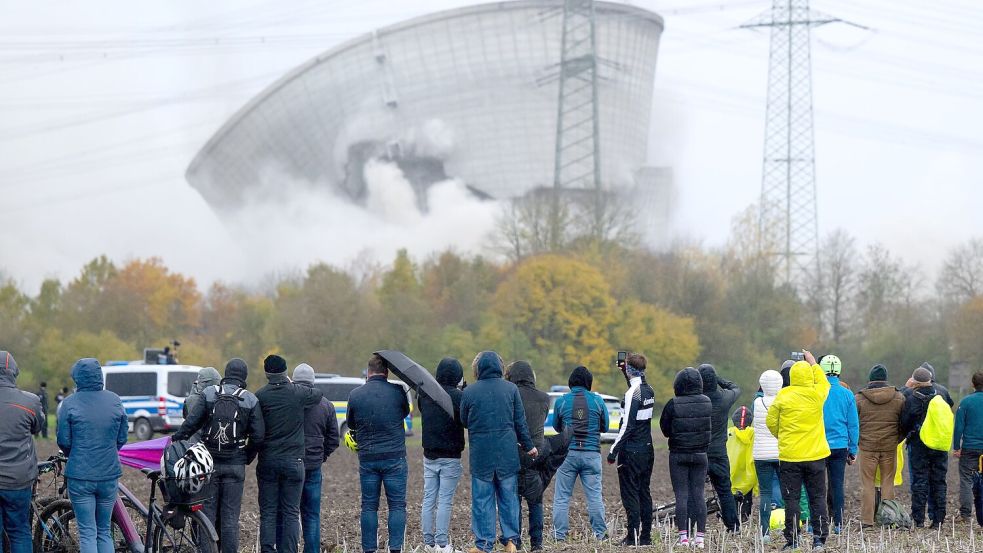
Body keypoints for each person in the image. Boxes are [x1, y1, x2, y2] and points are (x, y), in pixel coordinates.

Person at [173, 359, 264, 553]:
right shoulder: (250, 399)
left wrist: (177, 438)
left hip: (209, 465)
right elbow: (258, 436)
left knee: (208, 516)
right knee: (230, 519)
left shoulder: (209, 394)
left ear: (225, 373)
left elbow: (192, 423)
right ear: (244, 377)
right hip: (235, 466)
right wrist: (245, 457)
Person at [459, 351, 537, 553]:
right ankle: (511, 541)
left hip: (481, 455)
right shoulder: (511, 389)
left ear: (478, 368)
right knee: (509, 499)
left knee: (482, 501)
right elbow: (520, 422)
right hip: (507, 455)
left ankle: (483, 544)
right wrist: (529, 446)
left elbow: (464, 421)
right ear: (499, 367)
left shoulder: (469, 392)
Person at [56, 358, 129, 553]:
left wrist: (76, 455)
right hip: (109, 474)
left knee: (88, 532)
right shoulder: (115, 400)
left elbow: (64, 440)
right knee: (104, 530)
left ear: (77, 378)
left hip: (80, 475)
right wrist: (108, 452)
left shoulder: (69, 404)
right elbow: (122, 437)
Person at [255, 355, 323, 553]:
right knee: (291, 512)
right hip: (294, 462)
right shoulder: (297, 392)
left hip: (268, 461)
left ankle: (268, 549)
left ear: (266, 373)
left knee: (268, 512)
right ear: (286, 372)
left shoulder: (261, 396)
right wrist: (292, 383)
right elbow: (317, 394)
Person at [766, 351, 831, 551]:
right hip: (816, 456)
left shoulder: (783, 396)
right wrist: (813, 363)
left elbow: (771, 422)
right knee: (817, 498)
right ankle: (819, 540)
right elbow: (824, 382)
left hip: (790, 457)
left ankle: (792, 540)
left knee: (791, 499)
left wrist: (783, 436)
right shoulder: (817, 394)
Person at [348, 354, 410, 553]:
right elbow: (404, 413)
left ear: (368, 372)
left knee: (368, 506)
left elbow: (351, 423)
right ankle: (395, 548)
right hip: (395, 457)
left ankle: (369, 549)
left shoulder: (355, 394)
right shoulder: (398, 391)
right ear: (387, 372)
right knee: (397, 506)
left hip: (368, 458)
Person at [551, 366, 609, 542]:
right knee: (594, 497)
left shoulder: (562, 401)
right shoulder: (598, 401)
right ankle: (601, 535)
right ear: (589, 383)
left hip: (567, 455)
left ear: (570, 383)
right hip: (592, 454)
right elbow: (605, 427)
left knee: (561, 497)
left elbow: (556, 426)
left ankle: (559, 536)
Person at [660, 367, 711, 549]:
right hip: (700, 455)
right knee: (699, 494)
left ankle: (683, 537)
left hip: (678, 455)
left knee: (681, 495)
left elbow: (665, 430)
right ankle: (700, 538)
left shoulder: (672, 404)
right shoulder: (707, 402)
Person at [290, 364, 339, 553]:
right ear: (313, 381)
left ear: (294, 380)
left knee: (291, 513)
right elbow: (333, 439)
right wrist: (321, 456)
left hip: (292, 463)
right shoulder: (326, 404)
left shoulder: (287, 402)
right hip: (314, 466)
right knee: (312, 514)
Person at [608, 353, 656, 546]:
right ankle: (645, 537)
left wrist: (613, 451)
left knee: (630, 495)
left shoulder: (631, 394)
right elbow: (636, 390)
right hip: (647, 449)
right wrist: (625, 372)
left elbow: (627, 425)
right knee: (644, 492)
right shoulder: (649, 389)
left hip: (631, 451)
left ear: (629, 370)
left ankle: (632, 537)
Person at [419, 357, 465, 553]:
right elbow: (464, 419)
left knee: (429, 497)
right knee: (445, 500)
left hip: (429, 455)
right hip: (451, 456)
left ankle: (428, 542)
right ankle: (442, 543)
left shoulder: (425, 394)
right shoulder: (458, 397)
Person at [0, 351, 43, 553]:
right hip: (18, 479)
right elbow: (37, 428)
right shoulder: (29, 401)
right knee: (19, 531)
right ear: (14, 373)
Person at [504, 361, 549, 551]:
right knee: (535, 501)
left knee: (514, 500)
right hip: (535, 454)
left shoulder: (509, 395)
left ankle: (516, 542)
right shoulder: (544, 398)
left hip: (513, 453)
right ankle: (537, 543)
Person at [901, 366, 953, 528]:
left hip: (919, 444)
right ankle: (938, 519)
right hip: (940, 443)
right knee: (939, 481)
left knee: (919, 480)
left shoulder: (910, 395)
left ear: (914, 381)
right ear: (930, 379)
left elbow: (904, 422)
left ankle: (918, 519)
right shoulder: (942, 393)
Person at [854, 364, 905, 528]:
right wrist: (897, 438)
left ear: (870, 379)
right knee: (887, 482)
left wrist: (858, 441)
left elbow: (855, 423)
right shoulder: (899, 397)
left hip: (867, 447)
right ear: (885, 379)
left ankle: (867, 521)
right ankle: (888, 519)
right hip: (889, 446)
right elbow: (903, 423)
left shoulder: (859, 398)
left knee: (868, 483)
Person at [697, 363, 741, 532]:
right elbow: (735, 387)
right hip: (719, 453)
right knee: (725, 491)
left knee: (696, 492)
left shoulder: (697, 400)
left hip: (700, 452)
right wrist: (718, 380)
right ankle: (733, 526)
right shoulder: (724, 399)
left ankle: (695, 527)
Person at [819, 355, 858, 533]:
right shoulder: (847, 394)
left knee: (817, 486)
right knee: (837, 485)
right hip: (840, 446)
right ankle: (838, 524)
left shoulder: (817, 391)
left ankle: (817, 523)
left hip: (818, 445)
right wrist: (853, 448)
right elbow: (853, 424)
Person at [752, 369, 782, 542]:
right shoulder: (783, 402)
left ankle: (765, 533)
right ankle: (791, 527)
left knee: (765, 493)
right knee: (788, 492)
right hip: (781, 453)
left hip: (761, 454)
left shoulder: (757, 403)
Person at [953, 371, 983, 523]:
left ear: (973, 384)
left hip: (970, 448)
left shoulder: (965, 402)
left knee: (966, 480)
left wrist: (956, 446)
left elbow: (959, 427)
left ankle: (965, 514)